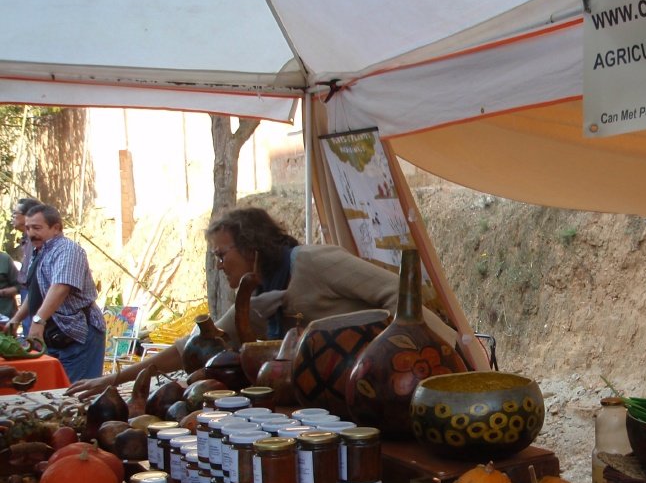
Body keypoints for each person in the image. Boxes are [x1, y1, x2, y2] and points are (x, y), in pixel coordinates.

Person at [67, 206, 458, 398]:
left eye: (222, 255)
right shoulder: (251, 296)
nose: (218, 265)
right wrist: (114, 380)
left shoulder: (312, 261)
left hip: (378, 390)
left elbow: (398, 293)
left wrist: (451, 366)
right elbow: (193, 345)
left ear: (251, 247)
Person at [2, 204, 106, 382]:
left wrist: (38, 320)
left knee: (76, 396)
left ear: (56, 228)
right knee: (54, 392)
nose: (31, 233)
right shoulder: (40, 251)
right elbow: (37, 292)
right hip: (54, 337)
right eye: (28, 228)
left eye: (37, 228)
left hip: (77, 335)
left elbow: (60, 287)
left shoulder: (67, 250)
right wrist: (16, 319)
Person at [10, 197, 42, 334]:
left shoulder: (36, 241)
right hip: (26, 291)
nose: (12, 216)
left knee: (32, 334)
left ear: (27, 215)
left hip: (33, 291)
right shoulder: (26, 240)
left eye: (15, 212)